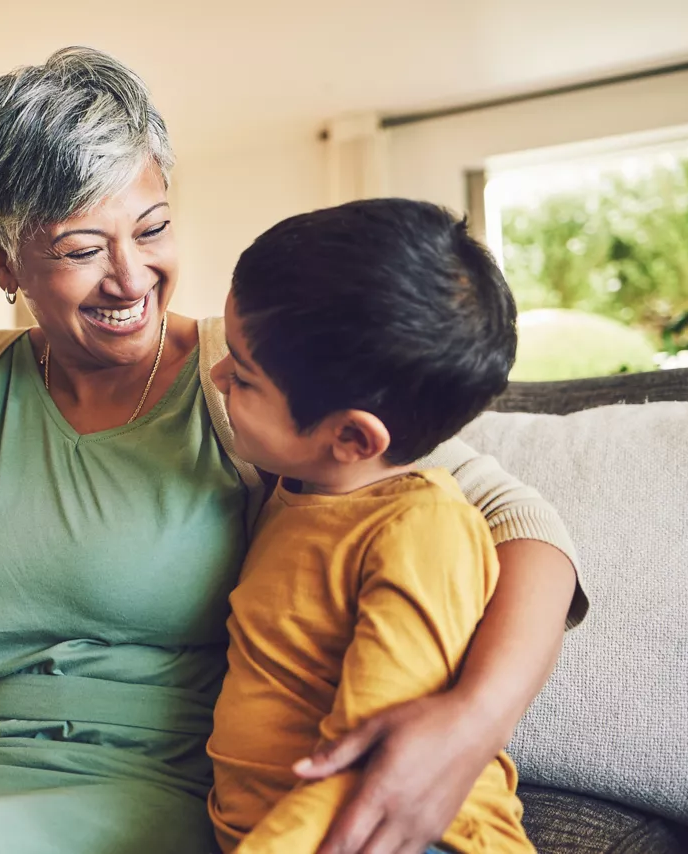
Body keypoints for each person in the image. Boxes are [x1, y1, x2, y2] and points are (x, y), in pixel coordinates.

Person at [0, 47, 586, 854]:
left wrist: (470, 724)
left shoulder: (251, 385)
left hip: (141, 791)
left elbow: (516, 523)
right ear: (5, 263)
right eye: (83, 246)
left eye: (154, 227)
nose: (131, 277)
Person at [207, 199, 536, 853]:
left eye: (242, 378)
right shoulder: (296, 489)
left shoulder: (421, 531)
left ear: (353, 437)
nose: (215, 377)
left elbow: (370, 765)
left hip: (400, 835)